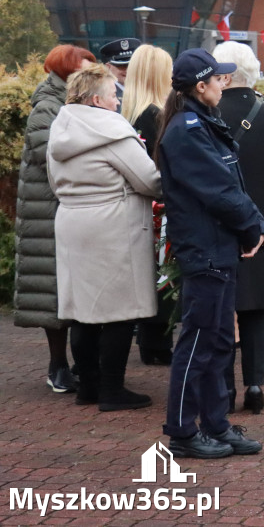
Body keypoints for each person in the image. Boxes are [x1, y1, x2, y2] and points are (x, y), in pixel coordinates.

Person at [157, 48, 264, 458]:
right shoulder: (187, 129)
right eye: (219, 79)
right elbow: (219, 190)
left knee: (220, 341)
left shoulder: (203, 121)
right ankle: (183, 432)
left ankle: (216, 424)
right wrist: (252, 226)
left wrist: (257, 225)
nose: (225, 84)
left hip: (218, 247)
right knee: (199, 342)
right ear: (200, 86)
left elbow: (232, 183)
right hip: (204, 249)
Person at [47, 65, 162, 411]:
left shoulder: (61, 128)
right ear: (97, 99)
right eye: (114, 95)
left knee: (83, 310)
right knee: (119, 311)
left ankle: (88, 387)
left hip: (71, 222)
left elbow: (54, 182)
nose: (118, 102)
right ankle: (112, 389)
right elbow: (150, 181)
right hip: (113, 227)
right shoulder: (110, 130)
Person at [214, 42, 264, 414]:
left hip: (220, 220)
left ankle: (225, 389)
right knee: (256, 307)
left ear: (223, 74)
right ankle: (256, 384)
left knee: (222, 304)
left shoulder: (207, 114)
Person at [14, 44, 96, 394]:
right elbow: (50, 153)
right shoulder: (47, 107)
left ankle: (78, 362)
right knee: (53, 290)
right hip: (47, 210)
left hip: (70, 207)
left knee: (75, 288)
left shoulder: (78, 103)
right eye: (85, 70)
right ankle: (57, 363)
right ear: (66, 71)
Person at [120, 43, 175, 365]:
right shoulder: (157, 116)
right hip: (157, 209)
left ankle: (149, 341)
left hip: (130, 208)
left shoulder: (125, 116)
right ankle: (157, 343)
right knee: (160, 275)